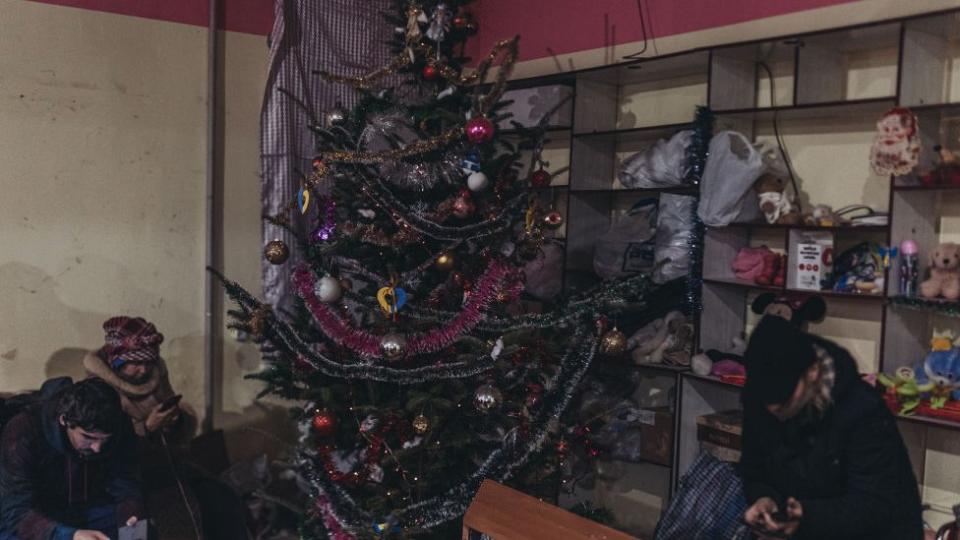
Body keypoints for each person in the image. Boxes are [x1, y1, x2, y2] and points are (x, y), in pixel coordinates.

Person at [740, 315, 922, 540]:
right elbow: (754, 469)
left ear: (812, 372)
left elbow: (875, 506)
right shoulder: (759, 399)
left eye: (784, 396)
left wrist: (806, 518)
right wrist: (763, 499)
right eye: (766, 397)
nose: (774, 407)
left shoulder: (863, 410)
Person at [85, 315, 249, 540]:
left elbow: (179, 434)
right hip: (131, 480)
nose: (143, 370)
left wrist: (175, 421)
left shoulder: (154, 375)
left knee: (222, 497)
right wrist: (147, 429)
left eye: (147, 362)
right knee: (167, 519)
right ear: (116, 360)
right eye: (135, 363)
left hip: (168, 463)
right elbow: (106, 452)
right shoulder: (97, 390)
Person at [0, 377, 143, 540]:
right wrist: (69, 535)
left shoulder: (120, 425)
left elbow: (127, 484)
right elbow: (15, 510)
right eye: (88, 437)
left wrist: (131, 514)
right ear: (64, 420)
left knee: (140, 531)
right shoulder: (23, 430)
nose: (97, 448)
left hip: (88, 509)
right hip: (36, 514)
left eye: (105, 439)